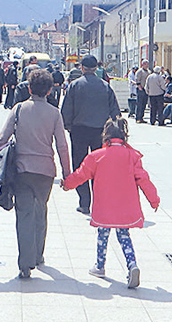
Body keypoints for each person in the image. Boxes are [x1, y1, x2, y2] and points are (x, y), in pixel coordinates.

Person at [63, 116, 160, 289]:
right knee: (124, 235)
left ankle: (100, 266)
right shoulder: (132, 156)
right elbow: (143, 179)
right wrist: (154, 200)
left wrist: (67, 184)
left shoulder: (96, 156)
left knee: (103, 234)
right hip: (125, 206)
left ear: (105, 135)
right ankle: (132, 265)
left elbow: (81, 174)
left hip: (104, 205)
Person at [0, 69, 71, 279]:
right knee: (41, 210)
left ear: (29, 88)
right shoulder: (55, 113)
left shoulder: (19, 109)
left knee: (24, 214)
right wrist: (67, 173)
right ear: (49, 90)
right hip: (45, 172)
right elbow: (62, 146)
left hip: (22, 169)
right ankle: (38, 255)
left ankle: (25, 263)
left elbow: (2, 139)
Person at [61, 55, 120, 214]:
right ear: (96, 68)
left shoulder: (74, 86)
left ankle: (84, 202)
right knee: (99, 167)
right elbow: (115, 112)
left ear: (82, 68)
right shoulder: (105, 86)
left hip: (79, 130)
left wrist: (68, 126)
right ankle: (98, 202)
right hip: (101, 132)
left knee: (80, 165)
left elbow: (66, 109)